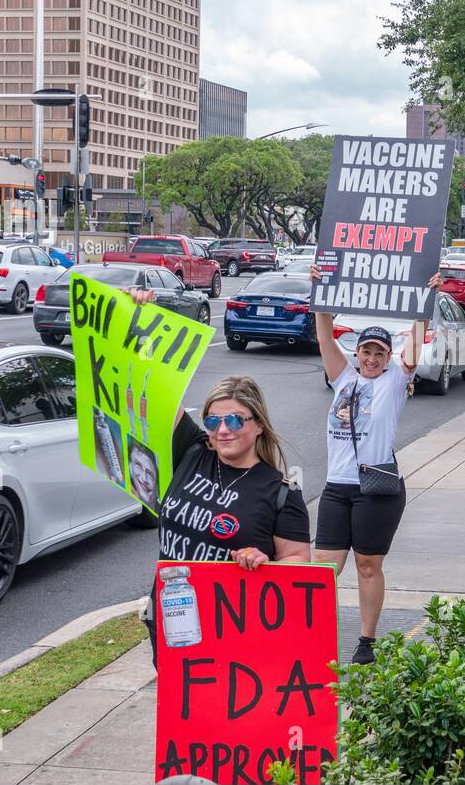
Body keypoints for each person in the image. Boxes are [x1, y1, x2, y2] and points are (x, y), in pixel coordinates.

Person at [127, 290, 313, 666]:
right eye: (213, 420)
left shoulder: (280, 492)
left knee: (216, 721)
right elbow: (154, 384)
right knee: (177, 716)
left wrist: (265, 561)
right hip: (171, 615)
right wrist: (136, 320)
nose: (222, 430)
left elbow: (299, 562)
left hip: (232, 629)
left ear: (258, 424)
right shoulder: (193, 451)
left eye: (234, 420)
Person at [311, 265, 442, 665]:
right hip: (337, 486)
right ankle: (310, 637)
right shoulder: (343, 377)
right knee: (323, 572)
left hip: (376, 488)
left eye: (378, 353)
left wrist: (425, 304)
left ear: (388, 357)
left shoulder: (396, 382)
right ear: (358, 353)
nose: (370, 358)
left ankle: (366, 642)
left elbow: (415, 346)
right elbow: (323, 334)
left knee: (368, 565)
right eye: (366, 351)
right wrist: (321, 289)